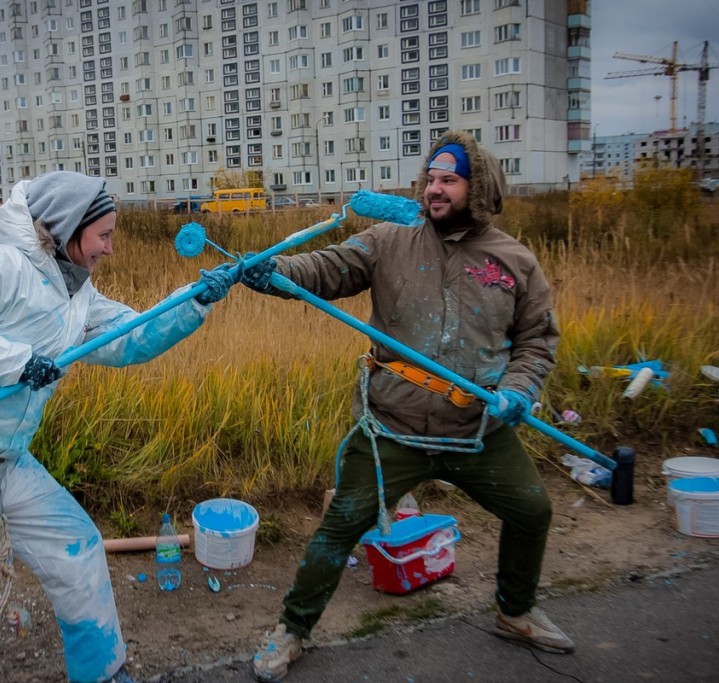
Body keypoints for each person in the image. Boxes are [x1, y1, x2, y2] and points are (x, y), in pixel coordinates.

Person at [0, 171, 234, 683]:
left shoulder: (78, 296)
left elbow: (131, 336)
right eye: (104, 235)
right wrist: (18, 362)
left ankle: (104, 672)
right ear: (70, 227)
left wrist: (196, 300)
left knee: (78, 551)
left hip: (4, 462)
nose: (110, 249)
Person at [242, 131, 569, 681]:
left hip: (477, 429)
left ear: (479, 187)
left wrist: (519, 390)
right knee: (341, 525)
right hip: (391, 430)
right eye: (430, 179)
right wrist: (272, 274)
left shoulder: (514, 261)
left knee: (532, 510)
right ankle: (292, 630)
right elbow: (323, 269)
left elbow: (536, 339)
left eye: (449, 180)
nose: (433, 189)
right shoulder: (387, 242)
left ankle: (515, 612)